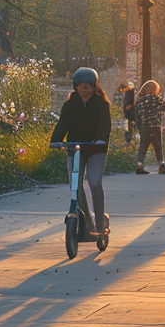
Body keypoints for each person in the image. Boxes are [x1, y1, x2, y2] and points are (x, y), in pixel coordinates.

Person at [51, 67, 112, 234]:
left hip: (95, 149)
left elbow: (104, 126)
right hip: (75, 149)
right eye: (80, 86)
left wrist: (100, 139)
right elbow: (62, 125)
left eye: (87, 86)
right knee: (75, 186)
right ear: (75, 87)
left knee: (94, 182)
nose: (84, 90)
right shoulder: (70, 105)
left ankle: (99, 223)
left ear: (94, 87)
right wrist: (55, 140)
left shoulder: (101, 105)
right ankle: (86, 220)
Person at [133, 79, 165, 174]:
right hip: (154, 126)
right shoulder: (155, 99)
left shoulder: (139, 101)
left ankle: (139, 166)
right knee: (158, 146)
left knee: (143, 147)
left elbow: (136, 116)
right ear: (154, 90)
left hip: (144, 127)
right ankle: (162, 166)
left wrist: (139, 127)